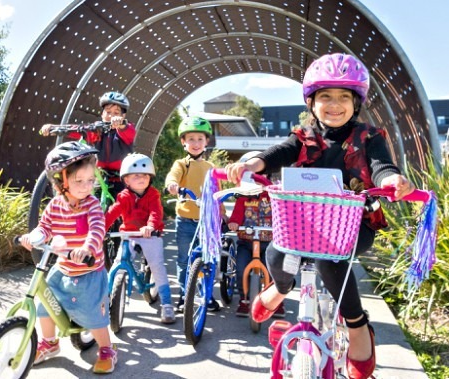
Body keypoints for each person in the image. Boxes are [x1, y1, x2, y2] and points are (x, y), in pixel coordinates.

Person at [225, 53, 415, 379]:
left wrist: (390, 181)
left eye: (344, 97)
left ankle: (356, 325)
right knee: (277, 250)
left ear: (356, 103)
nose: (335, 104)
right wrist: (251, 163)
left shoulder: (369, 138)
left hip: (353, 223)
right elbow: (276, 154)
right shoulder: (304, 137)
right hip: (305, 222)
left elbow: (383, 166)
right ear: (312, 102)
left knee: (331, 259)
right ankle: (281, 289)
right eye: (325, 96)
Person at [18, 141, 117, 374]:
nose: (86, 186)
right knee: (45, 307)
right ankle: (50, 343)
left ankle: (106, 348)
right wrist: (32, 237)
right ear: (61, 182)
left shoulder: (91, 205)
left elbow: (97, 230)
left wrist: (87, 248)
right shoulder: (55, 205)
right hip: (63, 268)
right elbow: (45, 227)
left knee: (94, 316)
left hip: (88, 271)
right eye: (78, 181)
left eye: (91, 180)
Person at [104, 153, 175, 324]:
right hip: (129, 234)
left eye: (144, 175)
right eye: (135, 176)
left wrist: (150, 226)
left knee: (157, 266)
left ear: (150, 178)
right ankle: (104, 300)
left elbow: (155, 212)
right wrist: (101, 228)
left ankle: (166, 303)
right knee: (117, 264)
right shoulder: (123, 196)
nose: (141, 178)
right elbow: (113, 212)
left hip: (150, 235)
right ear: (126, 180)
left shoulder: (153, 195)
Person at [164, 116, 222, 313]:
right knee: (184, 260)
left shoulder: (211, 168)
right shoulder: (182, 164)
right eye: (191, 139)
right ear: (183, 142)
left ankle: (207, 295)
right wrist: (172, 185)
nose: (195, 143)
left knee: (208, 260)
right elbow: (173, 176)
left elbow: (218, 191)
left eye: (200, 139)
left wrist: (222, 214)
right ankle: (184, 295)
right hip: (185, 221)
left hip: (207, 222)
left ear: (206, 142)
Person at [41, 91, 136, 198]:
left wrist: (121, 124)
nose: (111, 116)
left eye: (116, 113)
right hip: (100, 175)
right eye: (108, 112)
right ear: (102, 114)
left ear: (123, 116)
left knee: (125, 202)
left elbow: (129, 131)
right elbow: (78, 130)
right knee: (92, 197)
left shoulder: (125, 130)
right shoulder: (97, 130)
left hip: (121, 176)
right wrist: (54, 128)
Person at [226, 151, 284, 319]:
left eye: (261, 174)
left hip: (268, 241)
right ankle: (244, 299)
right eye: (253, 175)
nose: (258, 178)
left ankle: (275, 301)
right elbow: (237, 213)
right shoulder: (244, 196)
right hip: (246, 241)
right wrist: (234, 222)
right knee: (241, 268)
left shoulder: (273, 195)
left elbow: (281, 214)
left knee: (274, 270)